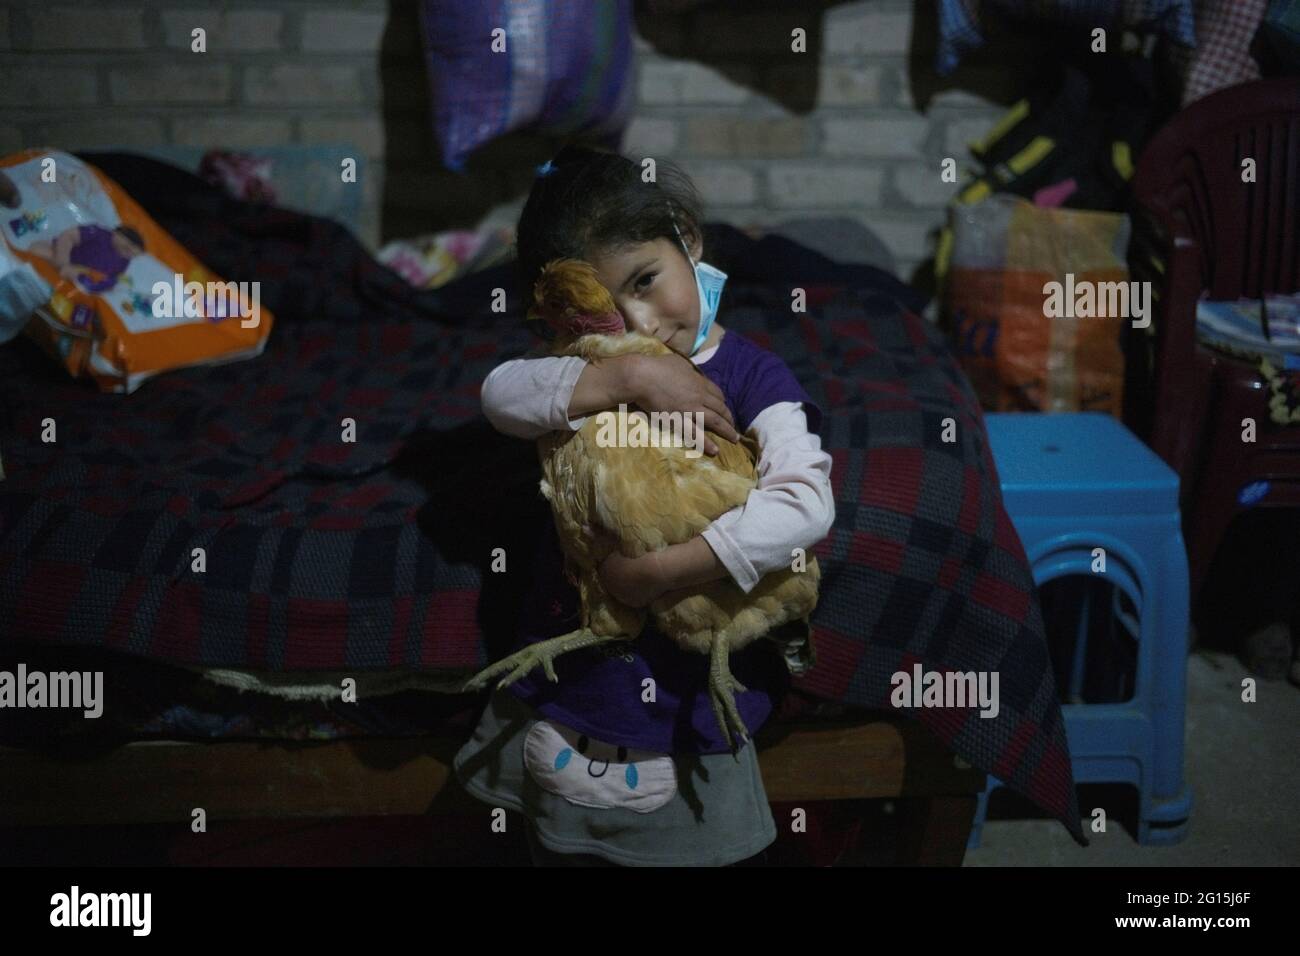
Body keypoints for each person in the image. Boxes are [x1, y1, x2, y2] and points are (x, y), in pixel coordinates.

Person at [454, 144, 834, 866]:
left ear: (688, 240)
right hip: (570, 681)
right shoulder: (596, 367)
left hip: (681, 693)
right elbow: (499, 395)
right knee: (554, 842)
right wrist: (628, 376)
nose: (641, 320)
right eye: (603, 309)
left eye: (647, 280)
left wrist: (656, 573)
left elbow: (805, 507)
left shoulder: (753, 376)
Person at [29, 223, 144, 293]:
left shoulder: (125, 259)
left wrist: (94, 283)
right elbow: (67, 236)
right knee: (36, 249)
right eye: (127, 248)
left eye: (132, 255)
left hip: (82, 278)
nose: (128, 255)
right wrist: (63, 264)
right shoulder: (99, 234)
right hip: (62, 257)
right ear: (117, 234)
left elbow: (113, 279)